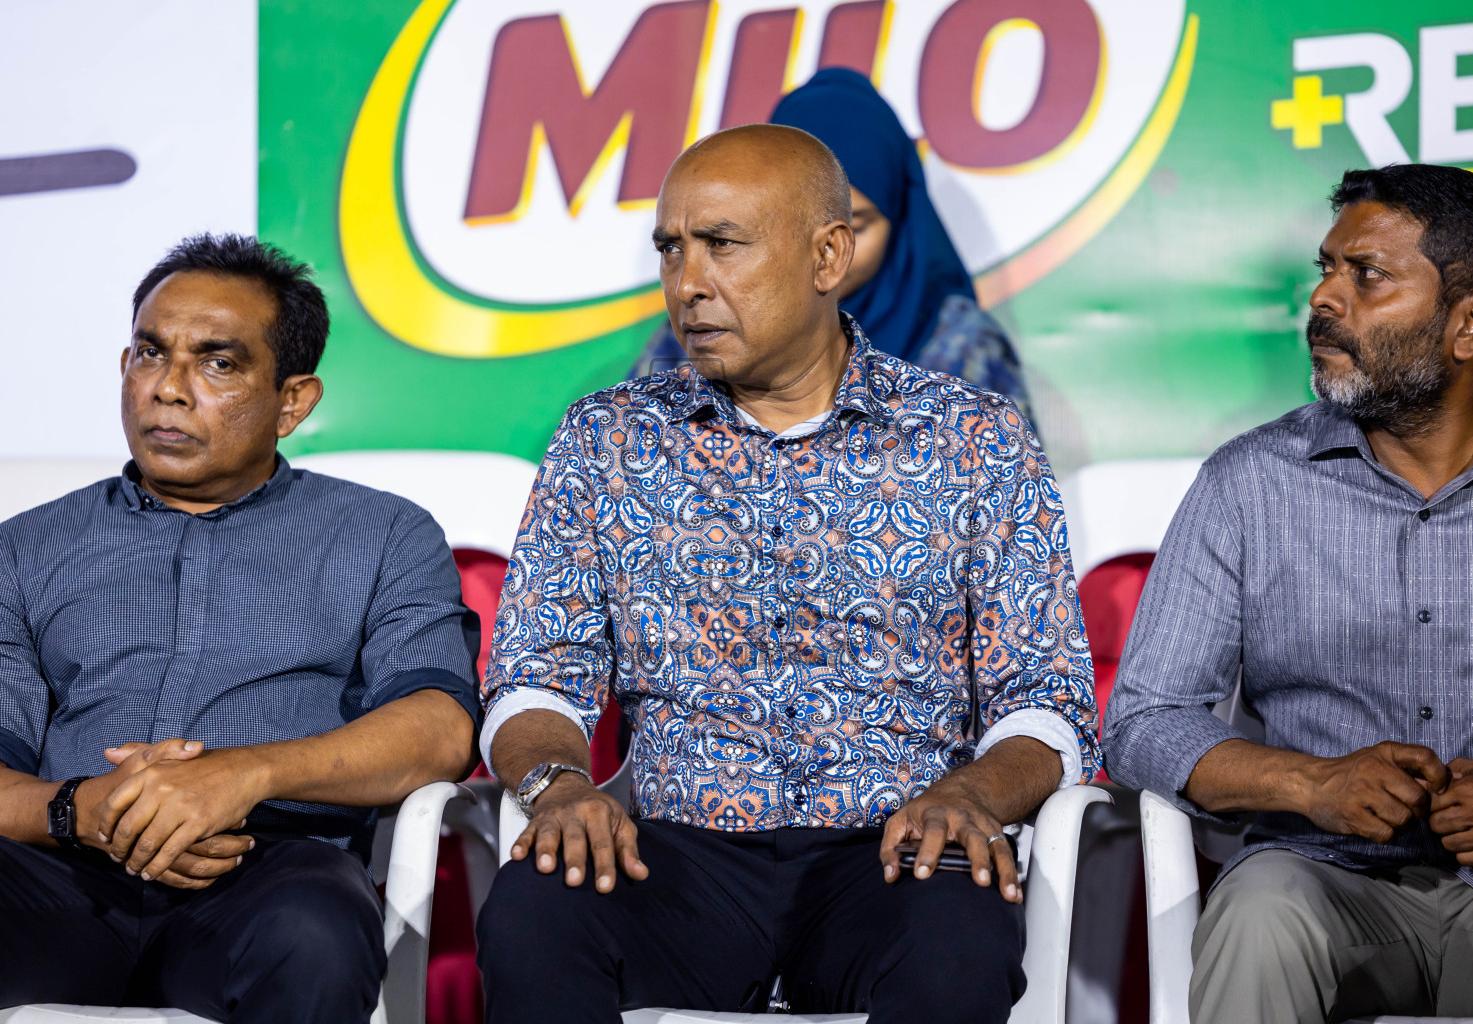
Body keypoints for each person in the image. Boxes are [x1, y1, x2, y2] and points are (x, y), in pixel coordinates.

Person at [475, 124, 1098, 1023]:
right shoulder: (608, 439)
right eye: (671, 250)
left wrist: (972, 793)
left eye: (722, 245)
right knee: (537, 910)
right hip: (674, 858)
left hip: (892, 852)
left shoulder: (973, 440)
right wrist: (558, 785)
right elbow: (537, 674)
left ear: (828, 254)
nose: (687, 284)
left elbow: (1046, 697)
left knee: (956, 936)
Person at [0, 235, 482, 1023]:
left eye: (218, 363)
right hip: (57, 884)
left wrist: (242, 775)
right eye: (151, 354)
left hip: (264, 879)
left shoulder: (385, 536)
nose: (168, 388)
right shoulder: (20, 551)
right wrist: (84, 810)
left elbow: (437, 732)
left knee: (317, 927)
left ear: (293, 401)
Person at [1102, 163, 1473, 1024]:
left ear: (1465, 326)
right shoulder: (1249, 483)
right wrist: (1310, 784)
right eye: (1325, 269)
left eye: (1366, 275)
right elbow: (1144, 720)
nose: (1323, 300)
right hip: (1324, 884)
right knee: (1263, 909)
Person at [631, 68, 1033, 422]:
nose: (828, 255)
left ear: (901, 220)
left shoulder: (962, 350)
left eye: (855, 227)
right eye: (723, 240)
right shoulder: (698, 333)